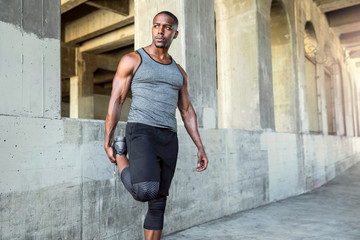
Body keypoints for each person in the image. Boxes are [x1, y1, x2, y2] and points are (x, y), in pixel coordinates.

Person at [104, 11, 208, 240]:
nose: (160, 31)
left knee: (158, 201)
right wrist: (108, 140)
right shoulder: (133, 59)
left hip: (169, 137)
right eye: (156, 26)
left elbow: (187, 110)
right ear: (152, 29)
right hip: (141, 130)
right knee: (145, 191)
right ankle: (123, 154)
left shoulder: (179, 72)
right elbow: (116, 100)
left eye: (167, 27)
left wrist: (200, 146)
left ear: (175, 33)